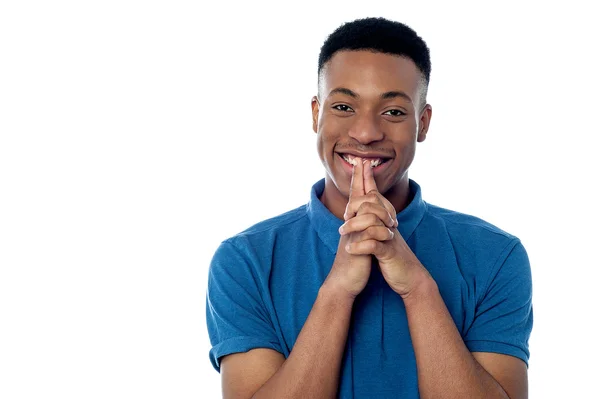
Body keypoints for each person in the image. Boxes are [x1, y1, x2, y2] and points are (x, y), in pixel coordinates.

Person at [206, 17, 533, 399]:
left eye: (393, 112)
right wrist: (338, 289)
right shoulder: (245, 260)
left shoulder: (496, 255)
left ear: (422, 124)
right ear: (316, 114)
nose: (365, 133)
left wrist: (417, 287)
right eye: (344, 106)